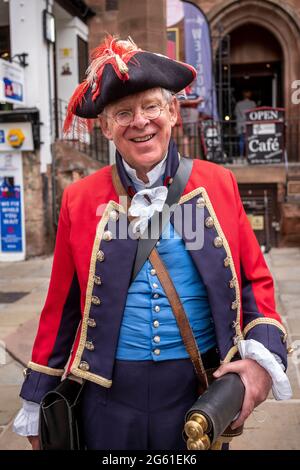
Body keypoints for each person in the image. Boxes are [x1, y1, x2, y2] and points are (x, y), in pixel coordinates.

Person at [14, 35, 291, 451]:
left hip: (197, 392)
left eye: (151, 106)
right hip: (107, 400)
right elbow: (62, 306)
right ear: (105, 127)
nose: (139, 121)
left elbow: (254, 284)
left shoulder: (217, 185)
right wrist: (38, 396)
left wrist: (261, 364)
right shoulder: (81, 198)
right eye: (122, 112)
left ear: (173, 112)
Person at [234, 90, 256, 157]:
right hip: (249, 124)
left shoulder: (238, 104)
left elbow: (235, 113)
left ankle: (241, 155)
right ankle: (249, 155)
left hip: (241, 124)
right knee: (250, 140)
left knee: (241, 140)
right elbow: (255, 114)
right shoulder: (253, 103)